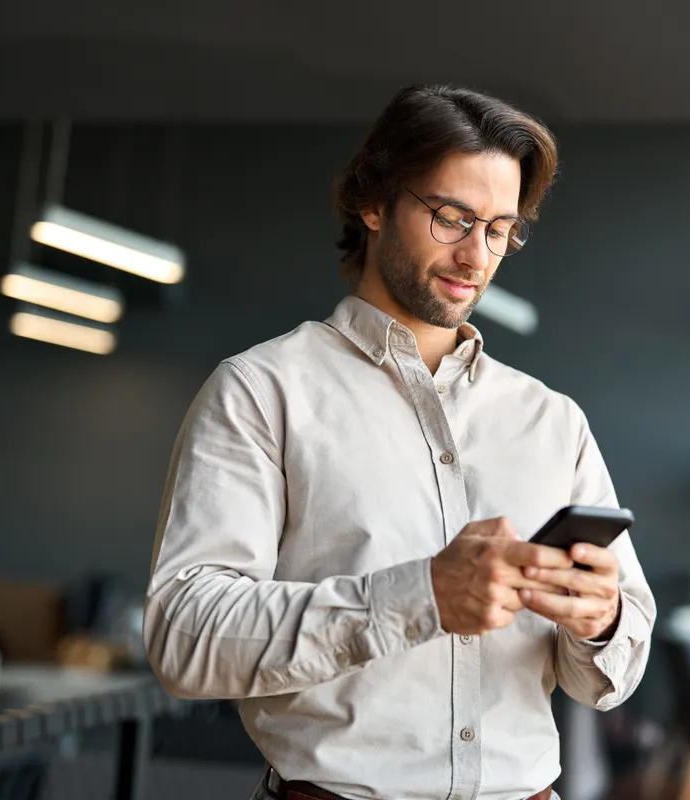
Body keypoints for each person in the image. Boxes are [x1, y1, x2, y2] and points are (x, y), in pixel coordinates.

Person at [144, 83, 656, 800]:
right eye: (452, 217)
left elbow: (609, 675)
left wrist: (601, 621)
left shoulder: (553, 420)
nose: (476, 255)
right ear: (375, 201)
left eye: (500, 229)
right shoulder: (263, 391)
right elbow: (185, 637)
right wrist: (416, 597)